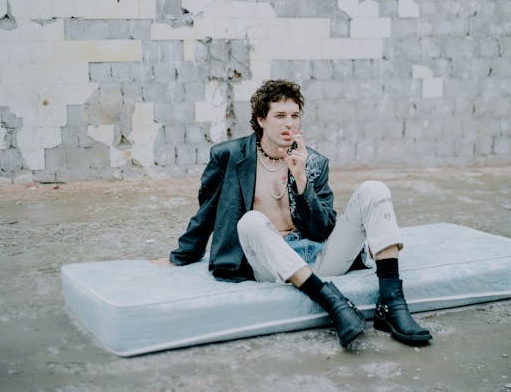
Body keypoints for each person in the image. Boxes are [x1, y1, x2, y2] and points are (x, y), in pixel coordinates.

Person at [169, 79, 432, 349]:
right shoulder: (229, 157)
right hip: (271, 264)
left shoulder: (313, 162)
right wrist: (182, 255)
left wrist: (302, 180)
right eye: (280, 116)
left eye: (295, 116)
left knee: (374, 190)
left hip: (319, 257)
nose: (289, 124)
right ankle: (332, 301)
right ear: (261, 119)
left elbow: (323, 229)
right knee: (250, 221)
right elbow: (207, 211)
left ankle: (391, 302)